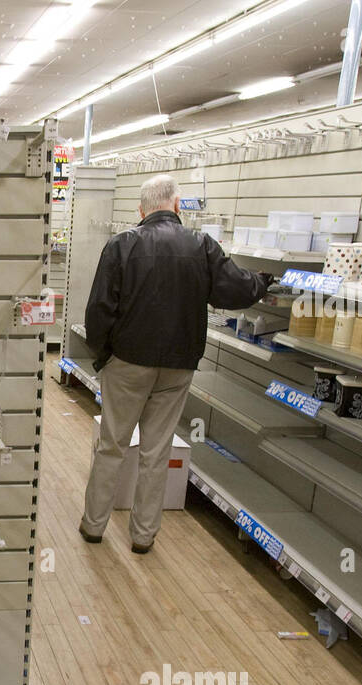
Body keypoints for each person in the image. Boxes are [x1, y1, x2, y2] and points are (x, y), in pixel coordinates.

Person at [78, 173, 273, 554]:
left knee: (112, 445)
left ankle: (93, 526)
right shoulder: (202, 246)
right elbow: (235, 288)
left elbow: (99, 309)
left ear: (141, 209)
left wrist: (103, 356)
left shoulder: (122, 245)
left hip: (128, 362)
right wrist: (264, 283)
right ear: (177, 205)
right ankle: (143, 536)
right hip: (178, 365)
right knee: (156, 451)